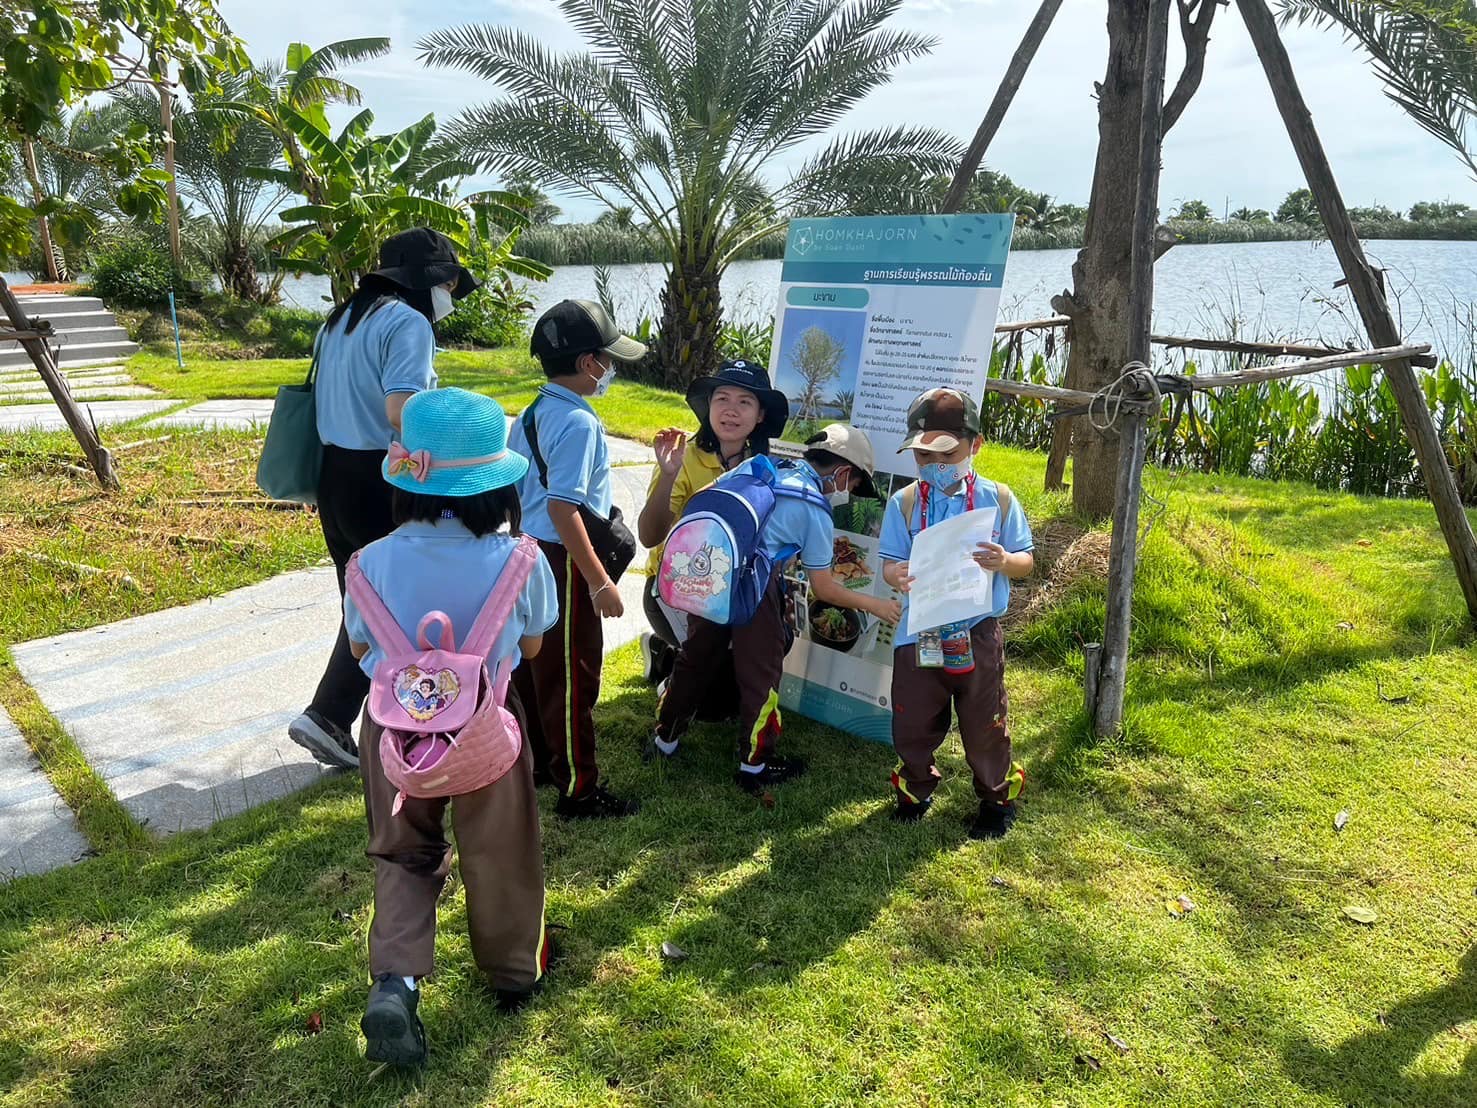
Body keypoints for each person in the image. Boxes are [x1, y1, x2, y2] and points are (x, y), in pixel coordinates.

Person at [343, 387, 558, 1067]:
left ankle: (397, 980)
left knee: (403, 851)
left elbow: (358, 651)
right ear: (497, 486)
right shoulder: (521, 559)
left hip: (392, 734)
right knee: (501, 850)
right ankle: (513, 972)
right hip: (485, 728)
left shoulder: (368, 562)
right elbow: (530, 650)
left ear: (408, 482)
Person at [288, 227, 479, 770]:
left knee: (362, 603)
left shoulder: (343, 319)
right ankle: (341, 716)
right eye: (446, 282)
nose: (447, 295)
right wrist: (458, 423)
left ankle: (339, 714)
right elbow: (401, 408)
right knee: (393, 607)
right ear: (426, 280)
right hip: (381, 477)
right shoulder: (408, 322)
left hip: (333, 475)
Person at [650, 425, 903, 792]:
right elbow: (825, 587)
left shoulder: (760, 466)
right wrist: (876, 605)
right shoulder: (814, 508)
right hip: (757, 587)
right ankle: (754, 767)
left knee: (695, 658)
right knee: (761, 676)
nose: (847, 493)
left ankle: (665, 740)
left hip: (716, 572)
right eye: (851, 485)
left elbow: (704, 500)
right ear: (844, 473)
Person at [507, 299, 647, 820]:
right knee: (572, 674)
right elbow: (566, 510)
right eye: (606, 360)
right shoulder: (580, 424)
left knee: (534, 665)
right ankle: (579, 787)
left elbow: (517, 491)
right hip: (564, 560)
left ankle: (543, 761)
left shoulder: (531, 412)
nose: (609, 370)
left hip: (528, 550)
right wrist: (598, 583)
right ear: (589, 363)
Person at [878, 388, 1034, 839]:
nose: (932, 465)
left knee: (985, 721)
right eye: (922, 455)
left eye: (944, 453)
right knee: (912, 718)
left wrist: (1004, 560)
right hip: (918, 632)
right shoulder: (905, 502)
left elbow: (1026, 561)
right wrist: (897, 574)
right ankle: (914, 789)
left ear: (976, 445)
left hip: (976, 633)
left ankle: (996, 798)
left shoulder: (998, 500)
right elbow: (889, 563)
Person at [636, 359, 789, 685]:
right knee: (710, 682)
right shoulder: (683, 457)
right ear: (708, 407)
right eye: (722, 398)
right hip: (674, 590)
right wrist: (668, 476)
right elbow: (649, 537)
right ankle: (666, 657)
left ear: (760, 415)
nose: (731, 410)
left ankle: (676, 654)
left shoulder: (761, 467)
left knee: (747, 665)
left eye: (744, 402)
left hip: (730, 589)